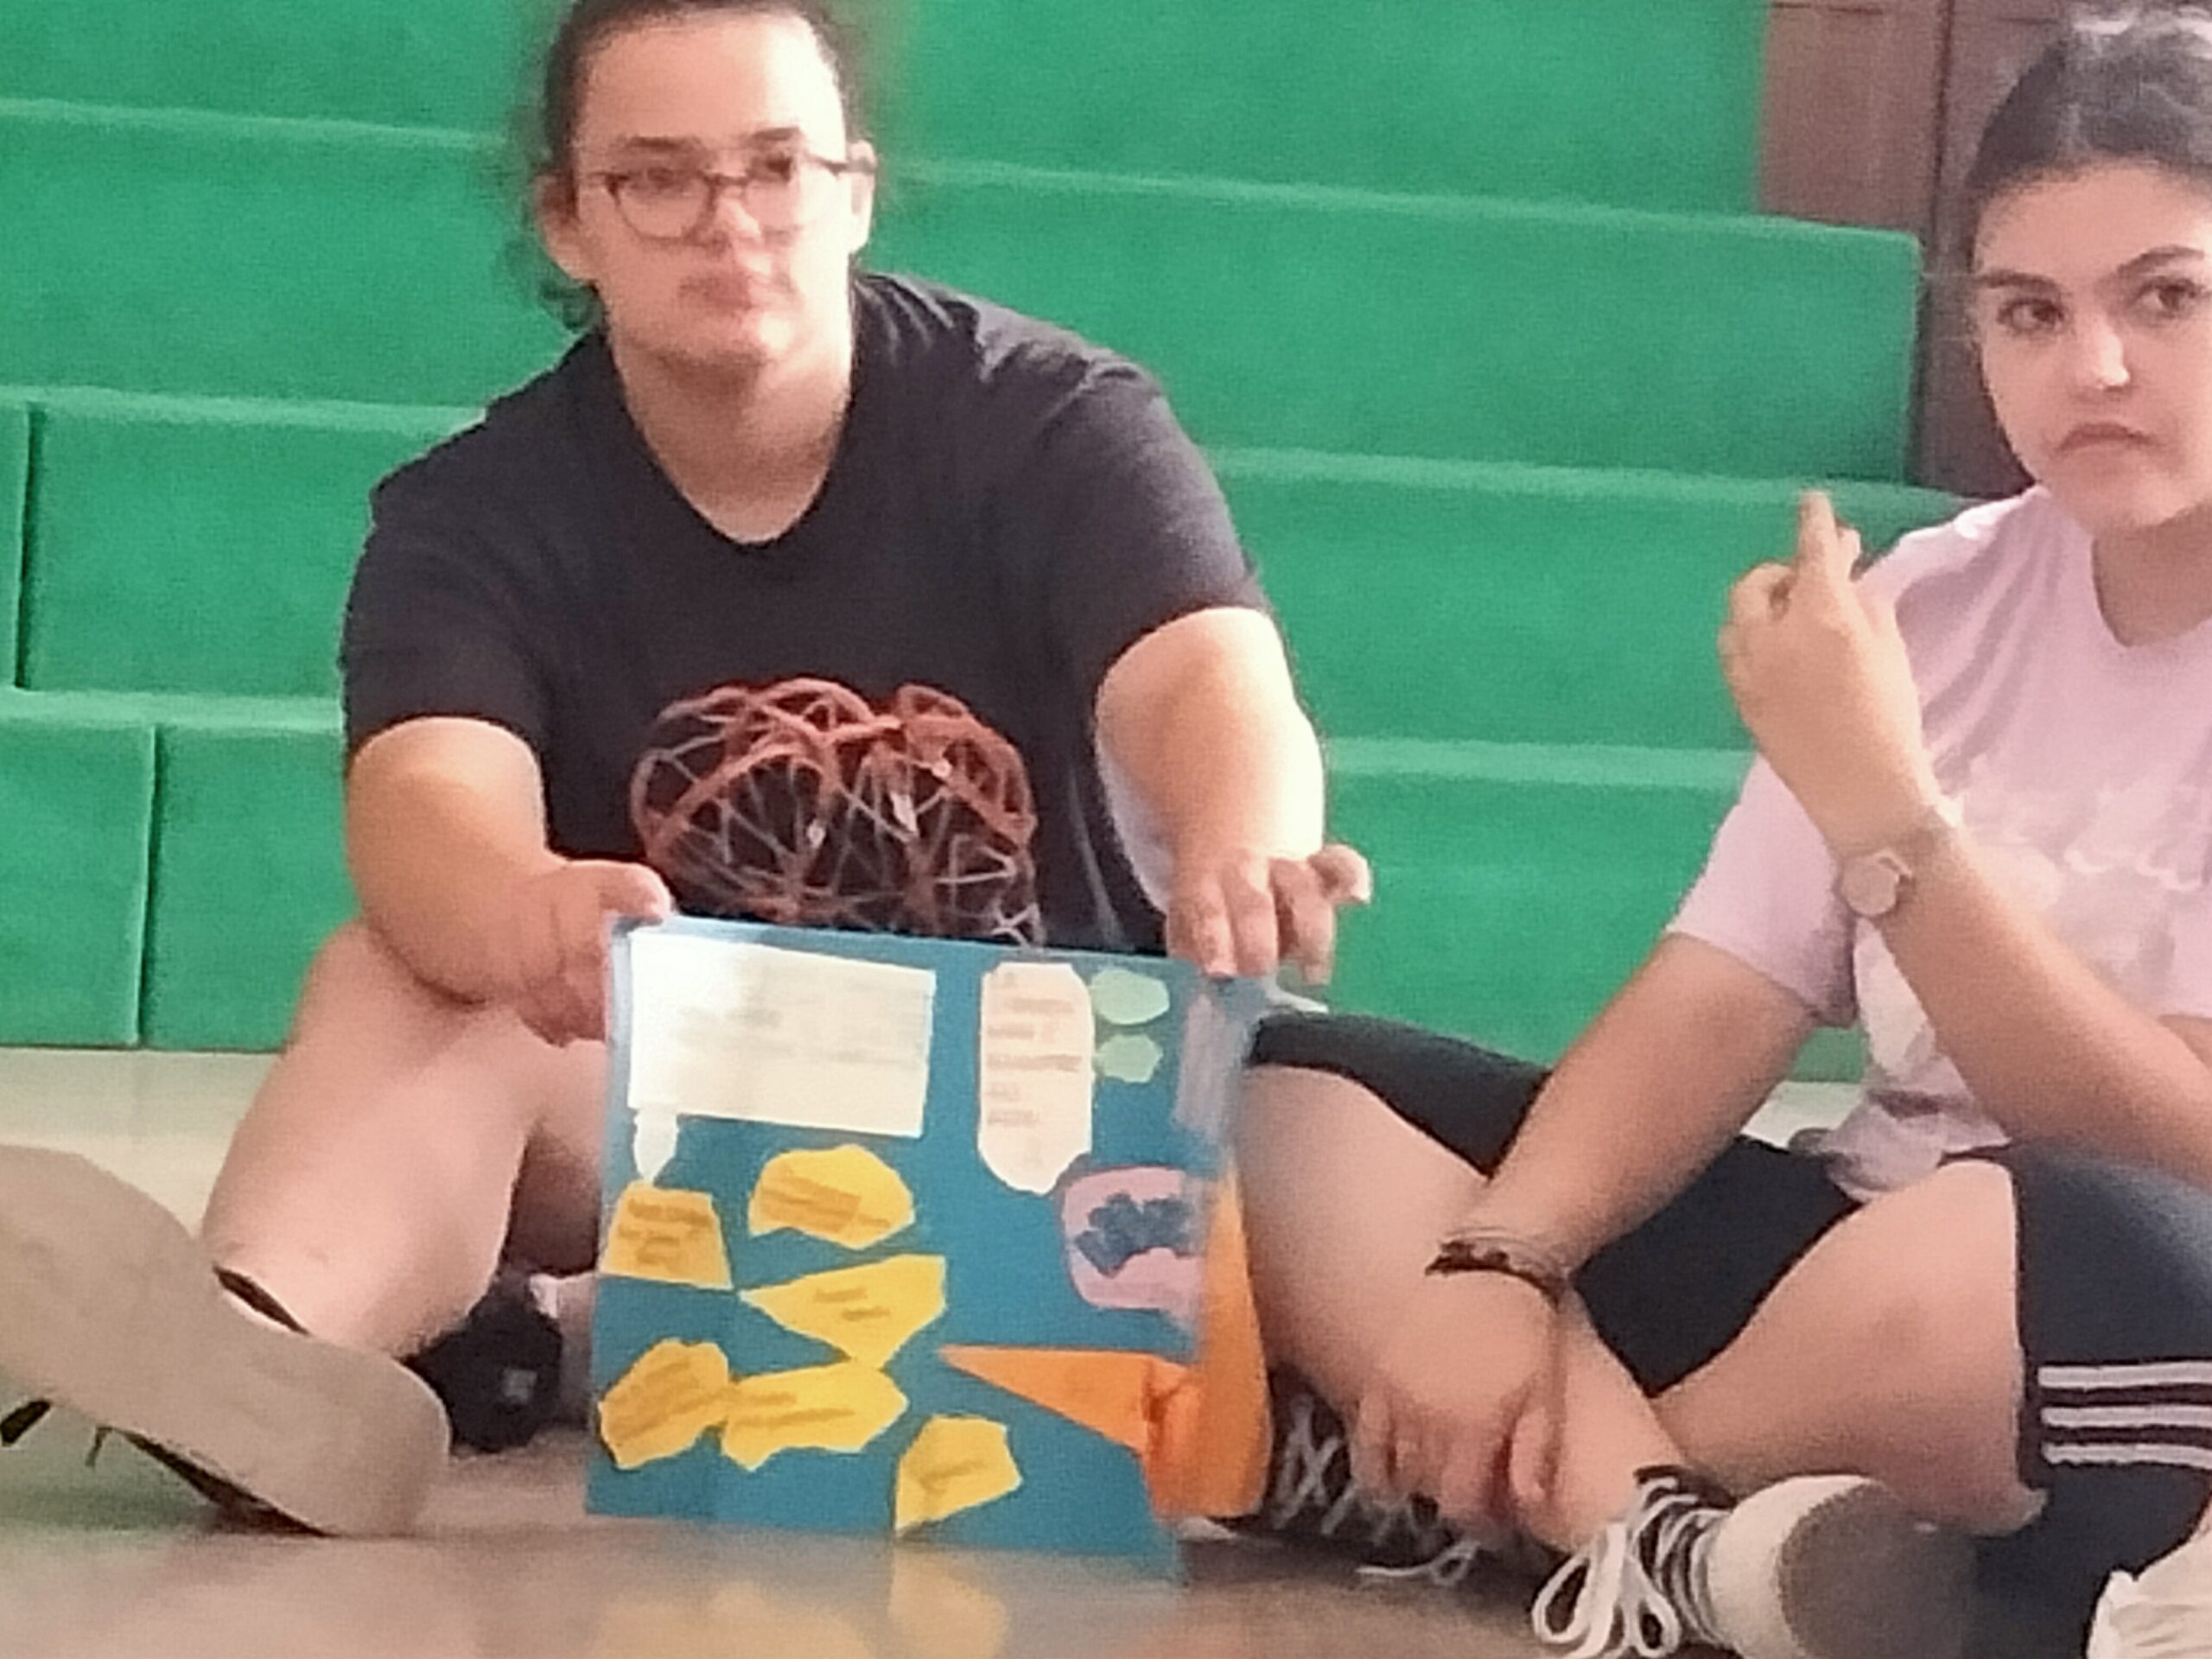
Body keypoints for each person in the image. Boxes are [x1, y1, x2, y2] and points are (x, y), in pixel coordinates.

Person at [0, 0, 1367, 1536]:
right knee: (400, 978)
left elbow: (1203, 677)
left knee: (1352, 1151)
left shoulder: (1051, 423)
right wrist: (516, 905)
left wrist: (1247, 836)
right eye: (659, 178)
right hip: (707, 1102)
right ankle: (259, 1358)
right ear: (566, 221)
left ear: (854, 190)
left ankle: (542, 1345)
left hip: (1057, 1110)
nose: (729, 222)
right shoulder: (473, 514)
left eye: (776, 166)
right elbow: (424, 797)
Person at [1232, 10, 2212, 1656]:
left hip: (2089, 1307)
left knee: (2041, 1244)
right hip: (1856, 1280)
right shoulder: (1937, 602)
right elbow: (1724, 989)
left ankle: (1515, 1500)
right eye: (2030, 312)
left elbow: (2169, 1147)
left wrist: (1890, 818)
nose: (2092, 368)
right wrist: (1497, 1262)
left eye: (2166, 299)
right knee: (1284, 1091)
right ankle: (1693, 1555)